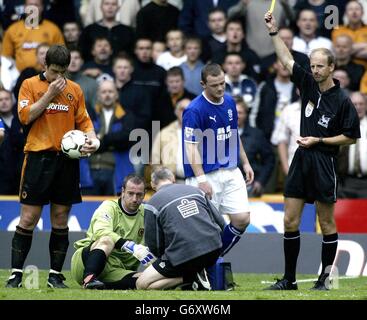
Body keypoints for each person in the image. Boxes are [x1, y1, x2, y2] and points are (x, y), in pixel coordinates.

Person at [263, 11, 361, 290]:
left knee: (326, 222)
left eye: (320, 66)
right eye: (313, 66)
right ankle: (289, 280)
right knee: (290, 219)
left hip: (323, 162)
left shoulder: (342, 101)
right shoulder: (307, 84)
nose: (315, 70)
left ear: (331, 68)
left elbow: (351, 137)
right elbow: (285, 59)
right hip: (301, 159)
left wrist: (320, 141)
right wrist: (273, 31)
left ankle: (325, 279)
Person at [5, 45, 100, 289]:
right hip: (38, 157)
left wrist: (94, 140)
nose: (59, 77)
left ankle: (55, 275)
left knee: (60, 218)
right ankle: (16, 274)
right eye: (54, 71)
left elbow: (85, 122)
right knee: (29, 218)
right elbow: (25, 116)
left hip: (67, 160)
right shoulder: (29, 85)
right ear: (44, 66)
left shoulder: (75, 89)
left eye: (63, 72)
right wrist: (48, 94)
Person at [182, 63, 254, 258]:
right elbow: (191, 146)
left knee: (242, 219)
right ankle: (198, 267)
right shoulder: (194, 110)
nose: (220, 88)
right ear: (203, 84)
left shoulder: (229, 102)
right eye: (215, 85)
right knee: (205, 228)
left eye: (223, 83)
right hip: (206, 174)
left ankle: (212, 260)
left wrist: (245, 162)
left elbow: (233, 135)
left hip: (230, 169)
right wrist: (201, 179)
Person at [136, 167, 224, 290]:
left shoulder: (151, 204)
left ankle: (192, 278)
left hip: (183, 256)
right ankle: (196, 275)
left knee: (141, 284)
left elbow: (154, 245)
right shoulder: (196, 191)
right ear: (173, 178)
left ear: (152, 184)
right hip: (214, 249)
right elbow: (221, 222)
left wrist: (165, 258)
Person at [71, 174, 153, 290]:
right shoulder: (109, 206)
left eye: (139, 195)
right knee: (106, 240)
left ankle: (100, 287)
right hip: (86, 263)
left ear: (144, 194)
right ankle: (89, 278)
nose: (134, 199)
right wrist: (131, 246)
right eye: (130, 193)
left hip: (118, 270)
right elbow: (101, 231)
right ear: (123, 191)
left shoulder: (146, 213)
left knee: (147, 279)